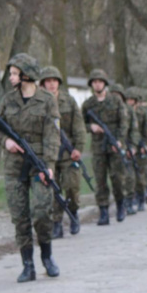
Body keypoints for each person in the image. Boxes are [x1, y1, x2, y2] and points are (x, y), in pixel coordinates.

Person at [0, 53, 61, 283]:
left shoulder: (47, 100)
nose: (11, 77)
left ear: (26, 74)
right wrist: (6, 142)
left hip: (39, 163)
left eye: (15, 73)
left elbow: (53, 135)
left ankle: (47, 257)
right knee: (20, 217)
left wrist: (50, 165)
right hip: (14, 166)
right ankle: (28, 265)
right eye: (11, 73)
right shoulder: (8, 100)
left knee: (42, 212)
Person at [39, 66, 86, 238]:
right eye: (48, 81)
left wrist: (78, 148)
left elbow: (79, 126)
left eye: (54, 81)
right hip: (48, 153)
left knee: (72, 187)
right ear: (43, 83)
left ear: (58, 82)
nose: (51, 84)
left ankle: (74, 215)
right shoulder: (39, 103)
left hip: (68, 152)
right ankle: (56, 222)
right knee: (53, 189)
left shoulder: (69, 101)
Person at [82, 69, 128, 225]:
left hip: (114, 143)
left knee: (117, 178)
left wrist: (120, 140)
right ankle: (103, 212)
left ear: (105, 83)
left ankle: (121, 205)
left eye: (100, 81)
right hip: (98, 146)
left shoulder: (116, 101)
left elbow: (124, 122)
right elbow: (81, 124)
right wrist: (91, 128)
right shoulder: (88, 104)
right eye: (94, 82)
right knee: (100, 180)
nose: (97, 84)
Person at [109, 83, 140, 216]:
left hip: (125, 145)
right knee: (116, 177)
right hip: (112, 146)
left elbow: (134, 130)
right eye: (113, 95)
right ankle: (121, 202)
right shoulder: (108, 109)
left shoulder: (129, 110)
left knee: (128, 175)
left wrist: (132, 146)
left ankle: (129, 200)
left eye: (118, 95)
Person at [126, 87, 147, 211]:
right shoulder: (124, 112)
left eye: (132, 100)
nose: (129, 102)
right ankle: (130, 199)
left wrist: (146, 146)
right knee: (129, 175)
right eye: (128, 99)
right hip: (128, 145)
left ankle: (141, 197)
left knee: (140, 175)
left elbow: (146, 131)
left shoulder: (142, 113)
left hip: (140, 146)